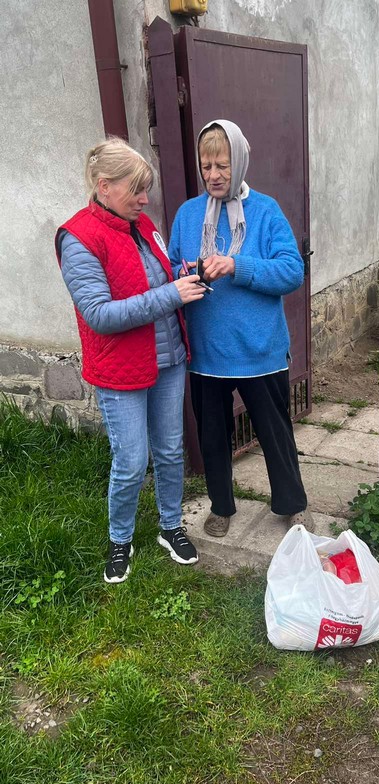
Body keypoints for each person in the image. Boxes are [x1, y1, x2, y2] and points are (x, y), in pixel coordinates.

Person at [55, 137, 206, 583]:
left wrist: (180, 275)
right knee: (132, 461)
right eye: (136, 190)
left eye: (146, 190)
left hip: (168, 359)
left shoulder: (141, 224)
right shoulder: (78, 238)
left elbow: (153, 278)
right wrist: (171, 293)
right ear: (104, 186)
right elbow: (100, 315)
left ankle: (170, 526)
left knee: (170, 450)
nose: (145, 199)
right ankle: (120, 539)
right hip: (120, 369)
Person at [169, 120, 314, 538]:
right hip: (207, 351)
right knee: (213, 436)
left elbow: (291, 271)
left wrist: (236, 265)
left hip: (259, 350)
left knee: (275, 433)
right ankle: (221, 505)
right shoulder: (188, 214)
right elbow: (173, 265)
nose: (213, 175)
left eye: (223, 165)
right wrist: (185, 273)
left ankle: (291, 504)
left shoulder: (266, 211)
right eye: (207, 166)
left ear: (241, 162)